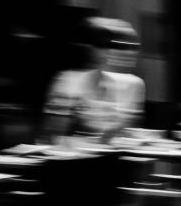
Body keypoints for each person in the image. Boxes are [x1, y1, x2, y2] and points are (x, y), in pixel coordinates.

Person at [41, 17, 145, 145]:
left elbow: (128, 136)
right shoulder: (69, 83)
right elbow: (53, 137)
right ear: (94, 50)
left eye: (133, 47)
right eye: (117, 45)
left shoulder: (133, 84)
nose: (129, 52)